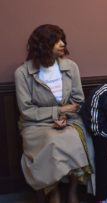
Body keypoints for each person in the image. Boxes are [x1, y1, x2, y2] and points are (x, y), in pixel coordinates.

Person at [14, 24, 94, 203]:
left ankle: (73, 191)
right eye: (55, 41)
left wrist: (65, 116)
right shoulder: (22, 73)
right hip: (35, 124)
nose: (62, 44)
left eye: (62, 39)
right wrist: (57, 111)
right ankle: (54, 192)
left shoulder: (71, 67)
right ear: (42, 45)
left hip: (70, 119)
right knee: (52, 141)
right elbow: (27, 111)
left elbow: (78, 101)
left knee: (73, 138)